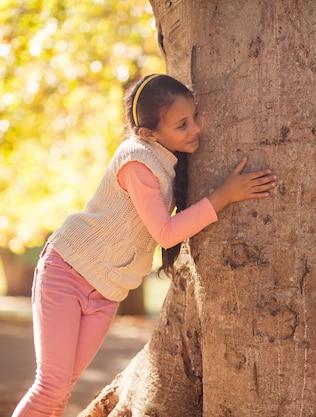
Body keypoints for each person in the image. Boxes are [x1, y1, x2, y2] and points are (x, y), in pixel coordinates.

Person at [12, 74, 277, 417]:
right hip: (67, 272)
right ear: (148, 133)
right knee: (50, 388)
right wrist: (223, 197)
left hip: (107, 292)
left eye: (195, 117)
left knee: (61, 389)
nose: (195, 129)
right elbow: (166, 233)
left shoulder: (167, 160)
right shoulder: (137, 160)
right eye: (182, 124)